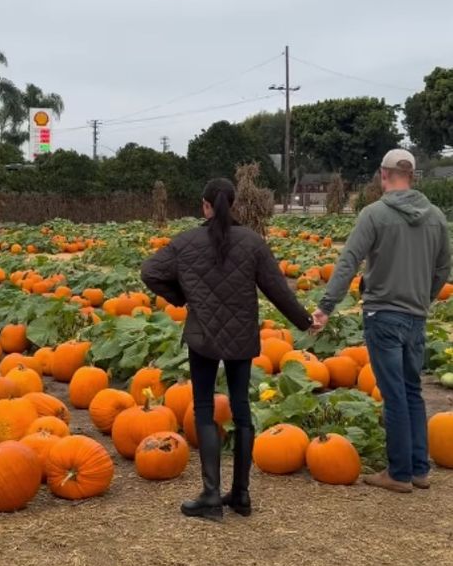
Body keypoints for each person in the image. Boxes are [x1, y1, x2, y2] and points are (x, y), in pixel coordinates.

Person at [141, 177, 313, 521]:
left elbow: (150, 272)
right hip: (241, 336)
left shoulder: (186, 242)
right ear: (231, 205)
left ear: (205, 205)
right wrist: (305, 321)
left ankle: (209, 495)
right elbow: (277, 289)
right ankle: (241, 494)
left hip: (203, 335)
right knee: (241, 409)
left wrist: (183, 296)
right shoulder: (251, 242)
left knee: (204, 408)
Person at [312, 149, 451, 494]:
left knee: (394, 396)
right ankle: (419, 469)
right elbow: (444, 268)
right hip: (416, 317)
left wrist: (326, 305)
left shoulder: (373, 214)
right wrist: (426, 297)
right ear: (413, 175)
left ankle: (400, 473)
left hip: (383, 315)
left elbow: (348, 262)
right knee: (412, 390)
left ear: (382, 174)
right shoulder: (435, 216)